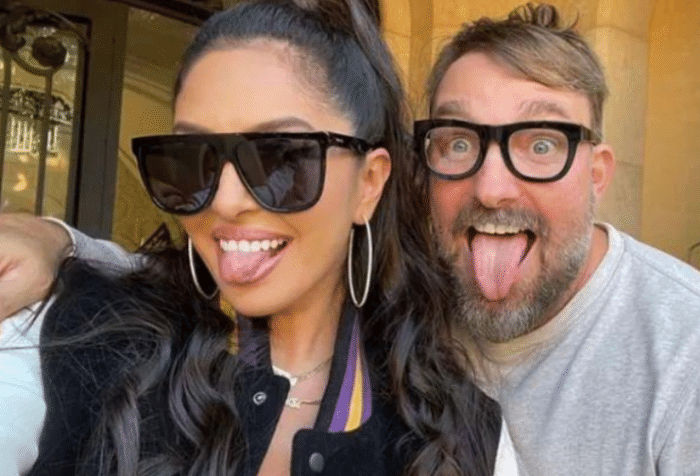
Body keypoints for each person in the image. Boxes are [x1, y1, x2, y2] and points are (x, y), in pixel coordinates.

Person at [0, 1, 503, 475]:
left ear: (368, 184)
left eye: (281, 158)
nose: (225, 201)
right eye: (190, 160)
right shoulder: (78, 334)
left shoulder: (460, 432)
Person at [415, 3, 700, 475]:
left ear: (597, 175)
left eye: (541, 144)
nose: (491, 189)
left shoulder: (686, 355)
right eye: (458, 143)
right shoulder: (401, 316)